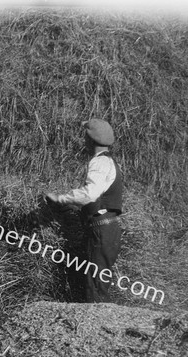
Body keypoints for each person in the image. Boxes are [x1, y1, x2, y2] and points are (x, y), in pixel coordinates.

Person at [46, 118, 123, 303]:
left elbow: (90, 194)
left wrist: (60, 198)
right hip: (105, 228)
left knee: (95, 286)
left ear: (90, 139)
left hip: (101, 230)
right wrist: (72, 207)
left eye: (85, 137)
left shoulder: (99, 163)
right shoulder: (110, 162)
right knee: (96, 282)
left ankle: (98, 328)